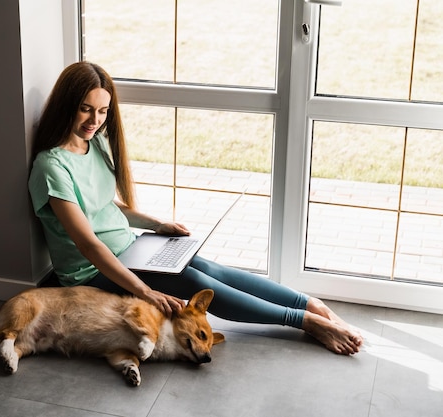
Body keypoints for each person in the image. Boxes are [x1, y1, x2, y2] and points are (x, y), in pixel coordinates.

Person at [28, 61, 363, 355]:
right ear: (66, 105)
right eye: (86, 109)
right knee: (193, 279)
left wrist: (156, 224)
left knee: (206, 266)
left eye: (103, 111)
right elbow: (88, 244)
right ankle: (304, 322)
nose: (96, 120)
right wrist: (146, 292)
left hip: (128, 249)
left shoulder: (94, 143)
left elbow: (103, 205)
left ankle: (307, 303)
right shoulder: (51, 166)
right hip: (92, 272)